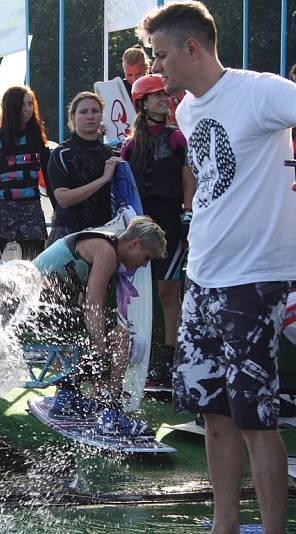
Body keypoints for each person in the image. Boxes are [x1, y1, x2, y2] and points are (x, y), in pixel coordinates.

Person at [139, 3, 296, 532]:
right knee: (213, 414)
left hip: (254, 279)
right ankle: (222, 525)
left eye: (160, 55)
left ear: (192, 48)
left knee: (257, 419)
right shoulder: (187, 111)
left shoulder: (261, 90)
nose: (156, 67)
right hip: (203, 275)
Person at [30, 216, 167, 435]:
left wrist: (98, 345)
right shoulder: (107, 251)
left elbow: (85, 305)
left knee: (93, 332)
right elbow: (93, 305)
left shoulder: (102, 242)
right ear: (135, 244)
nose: (144, 264)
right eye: (146, 257)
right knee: (120, 336)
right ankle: (110, 413)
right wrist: (102, 350)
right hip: (39, 310)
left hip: (37, 309)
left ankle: (67, 396)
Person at [121, 74, 195, 386]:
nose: (165, 99)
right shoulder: (129, 144)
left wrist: (188, 211)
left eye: (166, 94)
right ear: (143, 102)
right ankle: (137, 356)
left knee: (168, 291)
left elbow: (188, 175)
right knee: (138, 294)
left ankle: (169, 359)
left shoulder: (177, 137)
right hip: (138, 223)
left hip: (170, 220)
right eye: (157, 95)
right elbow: (122, 185)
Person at [0, 85, 50, 260]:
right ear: (13, 106)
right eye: (24, 104)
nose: (29, 109)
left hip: (31, 208)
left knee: (35, 263)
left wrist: (59, 211)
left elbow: (49, 178)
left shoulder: (37, 139)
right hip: (1, 210)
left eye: (31, 104)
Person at [46, 92, 118, 244]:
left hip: (104, 232)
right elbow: (63, 199)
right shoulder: (61, 153)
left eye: (95, 111)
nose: (90, 116)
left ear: (102, 115)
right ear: (73, 117)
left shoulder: (110, 155)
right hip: (68, 235)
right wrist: (103, 179)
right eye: (83, 112)